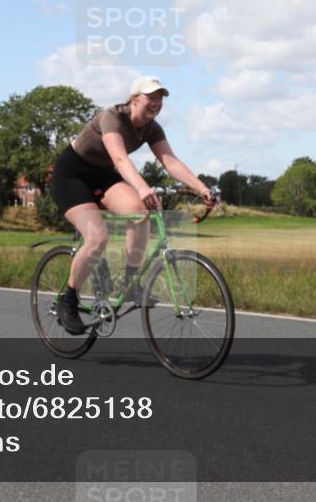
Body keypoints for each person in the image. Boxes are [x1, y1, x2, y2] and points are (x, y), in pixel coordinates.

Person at [48, 76, 214, 334]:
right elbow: (119, 158)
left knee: (141, 212)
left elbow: (171, 162)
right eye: (151, 97)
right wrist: (142, 187)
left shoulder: (152, 128)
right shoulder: (112, 117)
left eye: (160, 99)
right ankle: (68, 300)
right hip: (71, 175)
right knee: (97, 237)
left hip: (102, 175)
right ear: (134, 98)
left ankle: (130, 282)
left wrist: (201, 187)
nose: (156, 103)